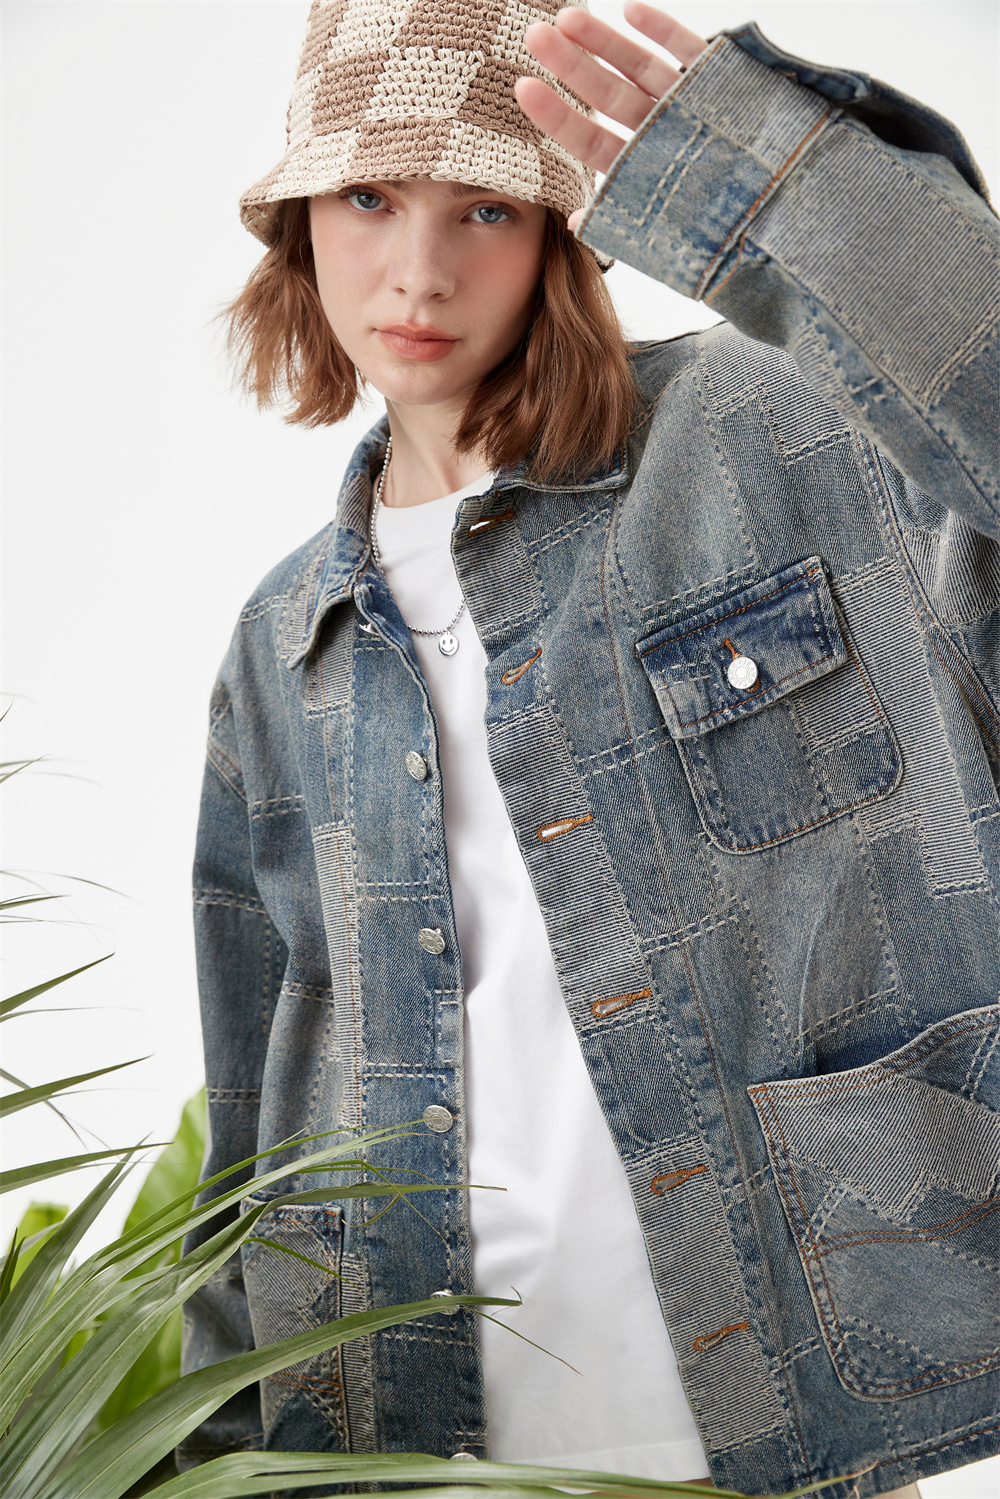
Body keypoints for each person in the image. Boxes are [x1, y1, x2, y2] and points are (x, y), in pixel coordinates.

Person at [180, 1, 1000, 1493]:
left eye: (486, 209)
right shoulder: (282, 638)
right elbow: (257, 1090)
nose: (419, 272)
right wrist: (219, 1451)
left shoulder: (772, 432)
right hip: (416, 1428)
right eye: (367, 198)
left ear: (564, 233)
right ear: (298, 223)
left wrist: (780, 181)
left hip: (841, 1378)